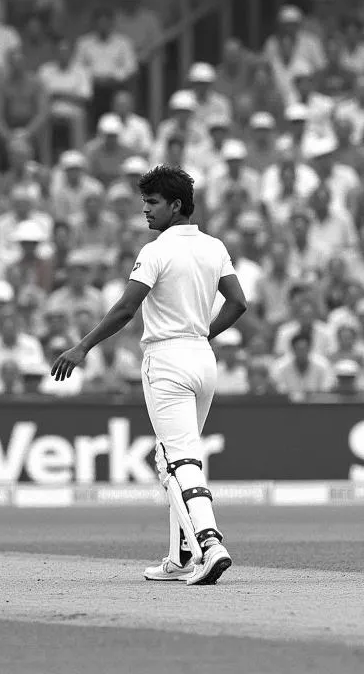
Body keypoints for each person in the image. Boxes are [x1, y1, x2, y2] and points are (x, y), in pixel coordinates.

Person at [52, 165, 246, 586]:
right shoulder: (214, 246)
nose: (146, 211)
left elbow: (125, 309)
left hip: (167, 359)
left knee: (178, 460)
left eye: (153, 202)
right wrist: (202, 333)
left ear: (177, 205)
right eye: (144, 202)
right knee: (173, 457)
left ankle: (210, 545)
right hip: (202, 357)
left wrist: (82, 346)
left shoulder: (156, 250)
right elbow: (238, 303)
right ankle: (179, 557)